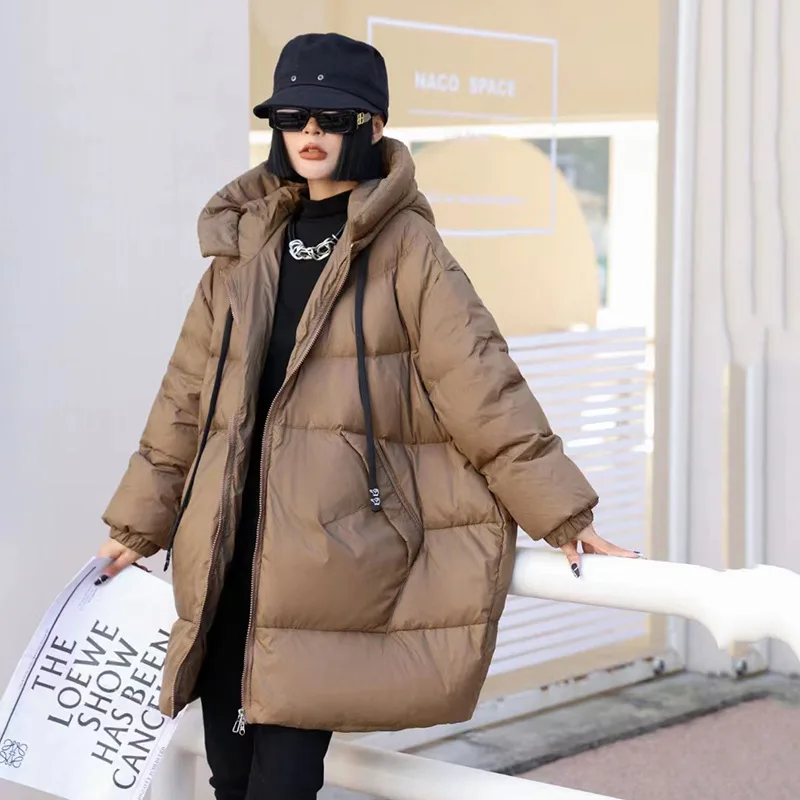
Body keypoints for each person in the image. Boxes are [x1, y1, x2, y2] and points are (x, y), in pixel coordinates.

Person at [97, 32, 640, 800]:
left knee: (282, 783)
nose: (311, 134)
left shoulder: (407, 249)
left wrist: (563, 511)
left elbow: (481, 383)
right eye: (294, 117)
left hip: (325, 555)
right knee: (228, 775)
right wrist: (135, 527)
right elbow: (185, 397)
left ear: (373, 127)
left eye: (330, 117)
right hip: (224, 550)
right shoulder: (245, 247)